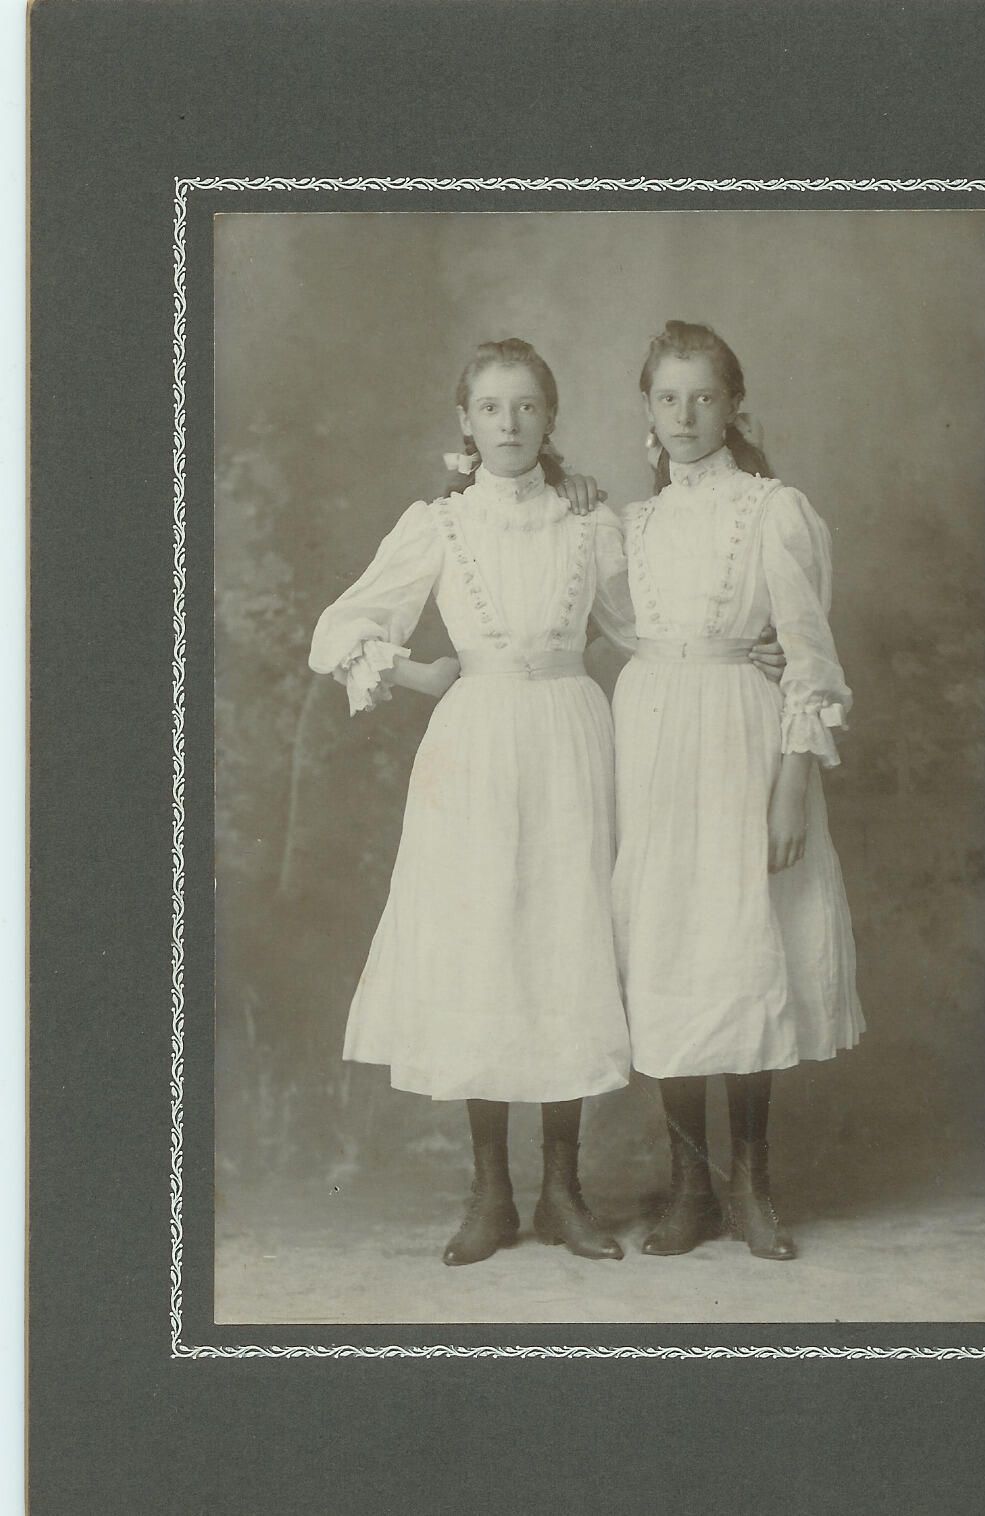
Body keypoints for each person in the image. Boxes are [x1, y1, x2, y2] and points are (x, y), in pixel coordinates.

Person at [308, 338, 630, 1267]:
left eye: (526, 406)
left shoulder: (589, 521)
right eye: (491, 407)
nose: (509, 424)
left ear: (550, 418)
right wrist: (418, 673)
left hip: (571, 736)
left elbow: (647, 624)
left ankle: (563, 1192)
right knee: (484, 945)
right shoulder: (439, 525)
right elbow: (341, 627)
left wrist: (752, 650)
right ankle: (491, 1193)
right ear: (465, 422)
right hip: (477, 744)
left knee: (566, 943)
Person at [599, 320, 864, 1261]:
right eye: (667, 398)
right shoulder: (629, 524)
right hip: (653, 746)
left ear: (733, 407)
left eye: (703, 397)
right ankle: (690, 1188)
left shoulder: (772, 510)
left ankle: (751, 1183)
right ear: (646, 409)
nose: (684, 416)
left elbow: (807, 656)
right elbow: (599, 616)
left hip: (745, 745)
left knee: (746, 947)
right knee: (671, 951)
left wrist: (792, 783)